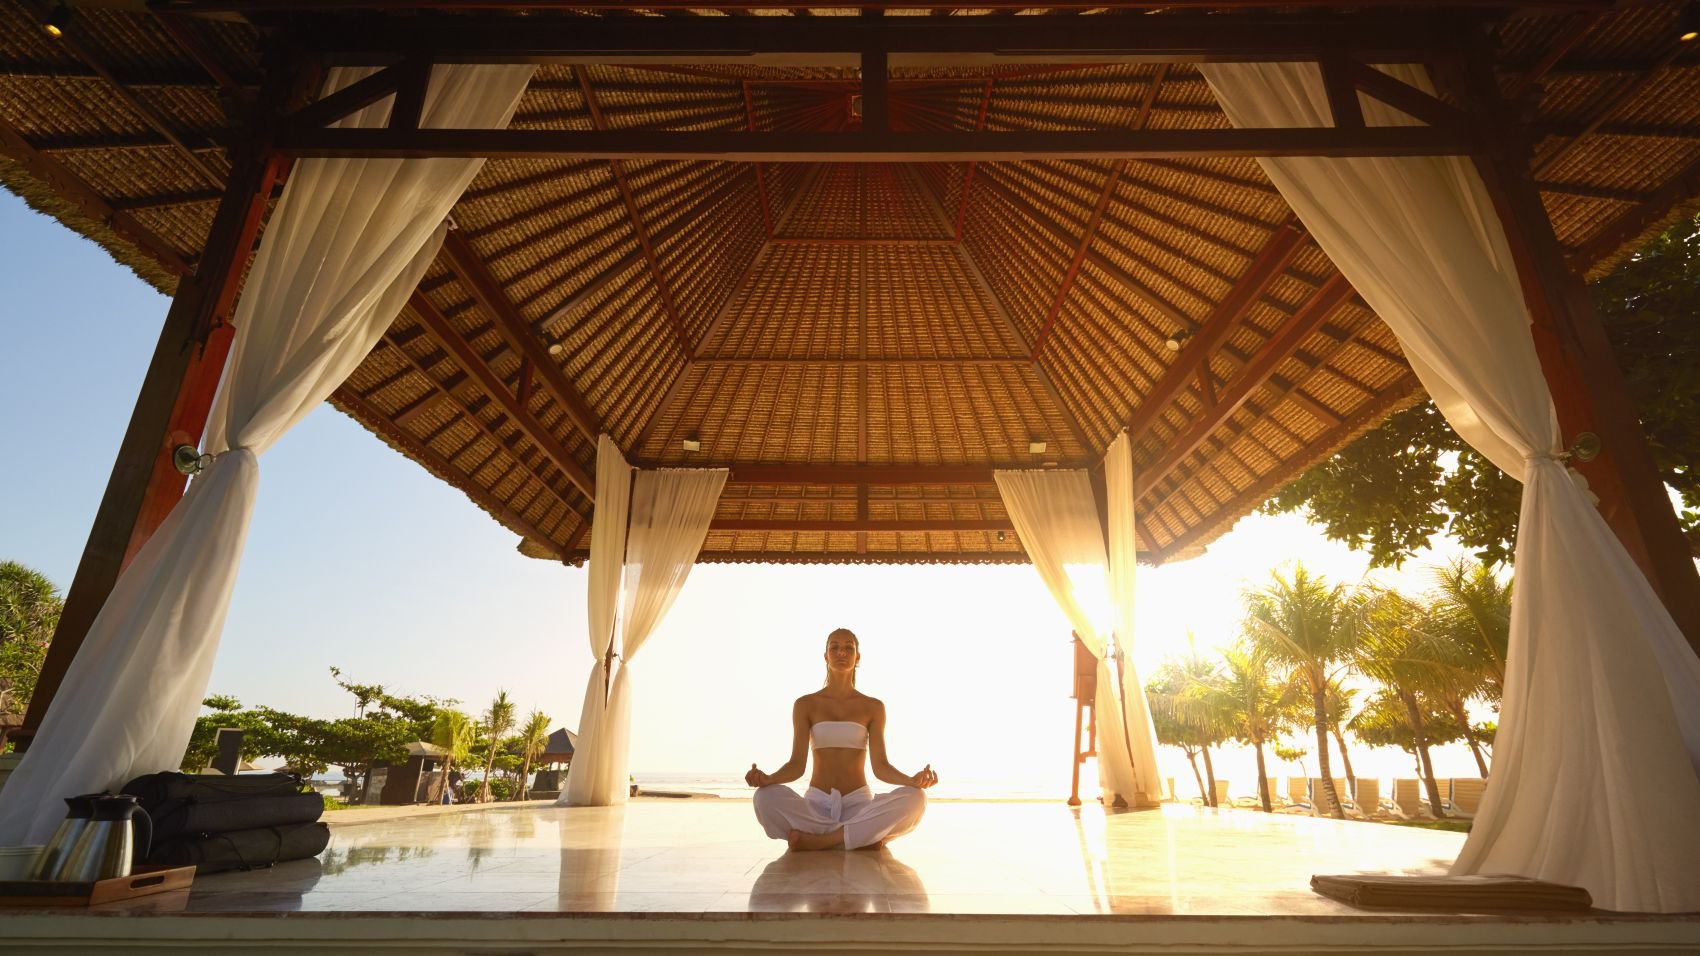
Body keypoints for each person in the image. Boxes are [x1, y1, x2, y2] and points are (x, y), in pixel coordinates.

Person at [746, 627, 937, 851]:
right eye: (834, 647)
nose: (841, 652)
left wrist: (911, 781)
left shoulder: (873, 707)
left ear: (858, 657)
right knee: (763, 798)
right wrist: (769, 779)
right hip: (817, 804)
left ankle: (822, 840)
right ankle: (859, 836)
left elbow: (881, 767)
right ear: (825, 656)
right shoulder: (805, 704)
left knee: (917, 799)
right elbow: (796, 765)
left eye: (849, 648)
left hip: (859, 803)